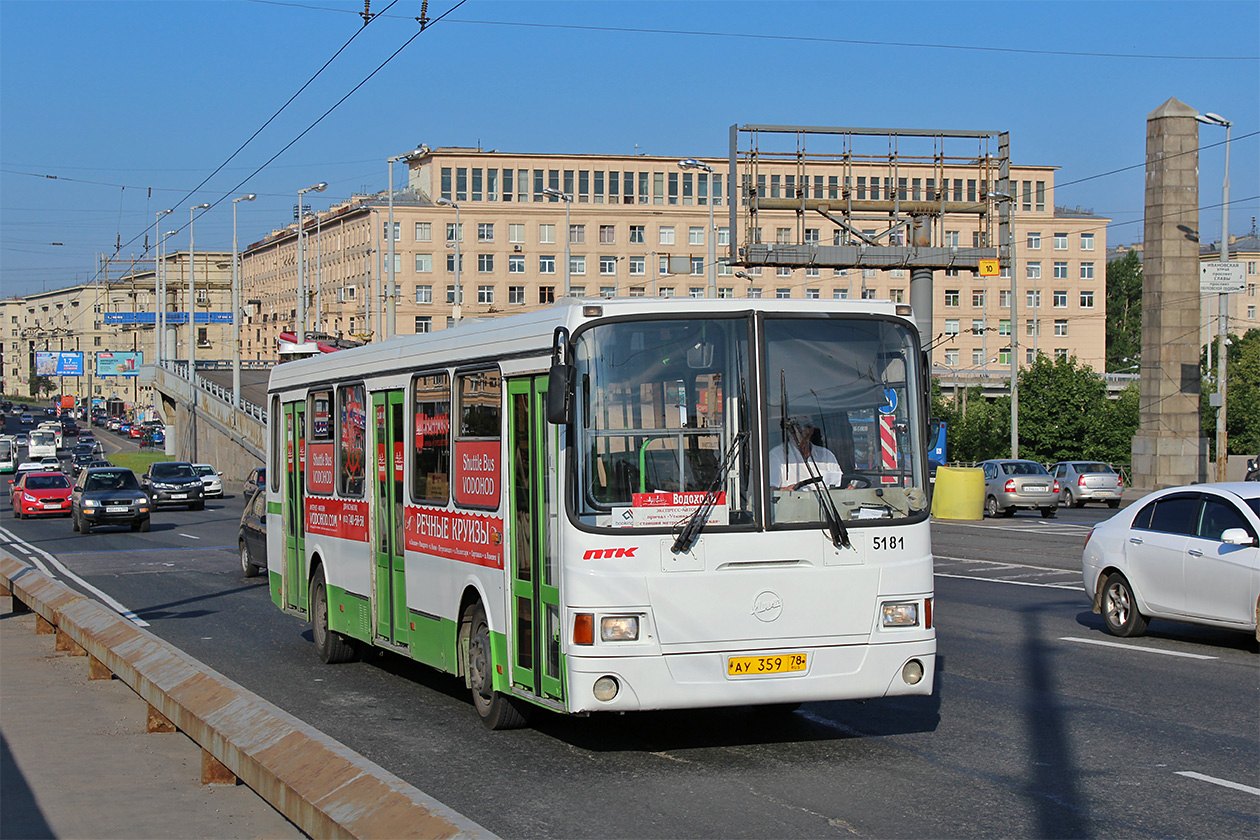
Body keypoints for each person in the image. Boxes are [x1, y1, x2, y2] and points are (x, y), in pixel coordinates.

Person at [768, 415, 843, 490]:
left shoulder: (827, 455)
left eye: (807, 425)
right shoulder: (776, 455)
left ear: (813, 429)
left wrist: (849, 488)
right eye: (798, 425)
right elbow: (769, 491)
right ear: (789, 429)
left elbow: (838, 486)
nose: (802, 428)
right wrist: (784, 490)